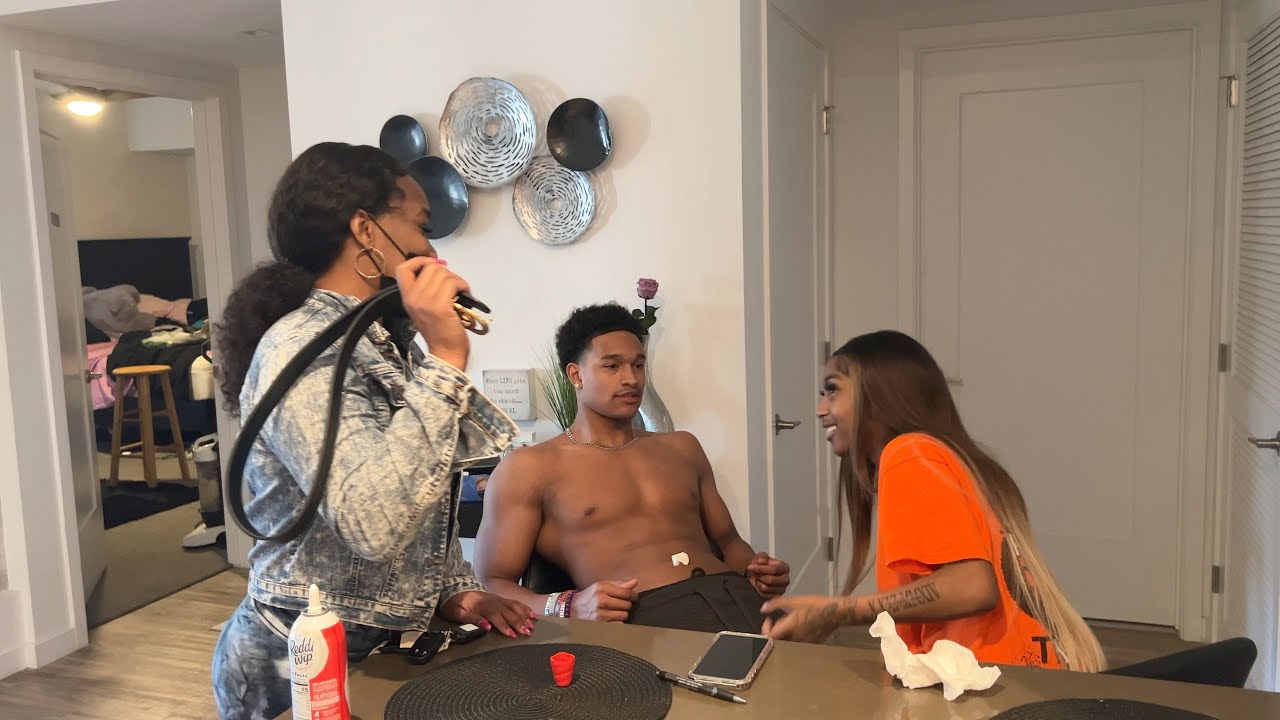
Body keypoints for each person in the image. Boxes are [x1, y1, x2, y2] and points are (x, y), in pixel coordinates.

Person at [211, 142, 536, 720]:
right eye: (420, 226)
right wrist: (447, 357)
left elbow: (415, 492)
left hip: (371, 648)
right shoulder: (299, 349)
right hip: (294, 664)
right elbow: (373, 521)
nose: (432, 250)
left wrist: (453, 590)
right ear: (366, 230)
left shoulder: (379, 344)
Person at [761, 330, 1105, 672]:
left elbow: (971, 586)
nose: (821, 409)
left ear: (878, 394)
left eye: (833, 390)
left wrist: (837, 612)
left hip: (996, 683)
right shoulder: (954, 458)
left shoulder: (907, 454)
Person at [474, 303, 791, 633]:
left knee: (811, 658)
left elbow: (730, 543)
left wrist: (758, 573)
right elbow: (492, 583)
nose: (631, 379)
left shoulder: (682, 447)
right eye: (612, 366)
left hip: (735, 596)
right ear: (576, 375)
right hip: (646, 618)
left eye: (638, 365)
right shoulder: (530, 467)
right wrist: (569, 606)